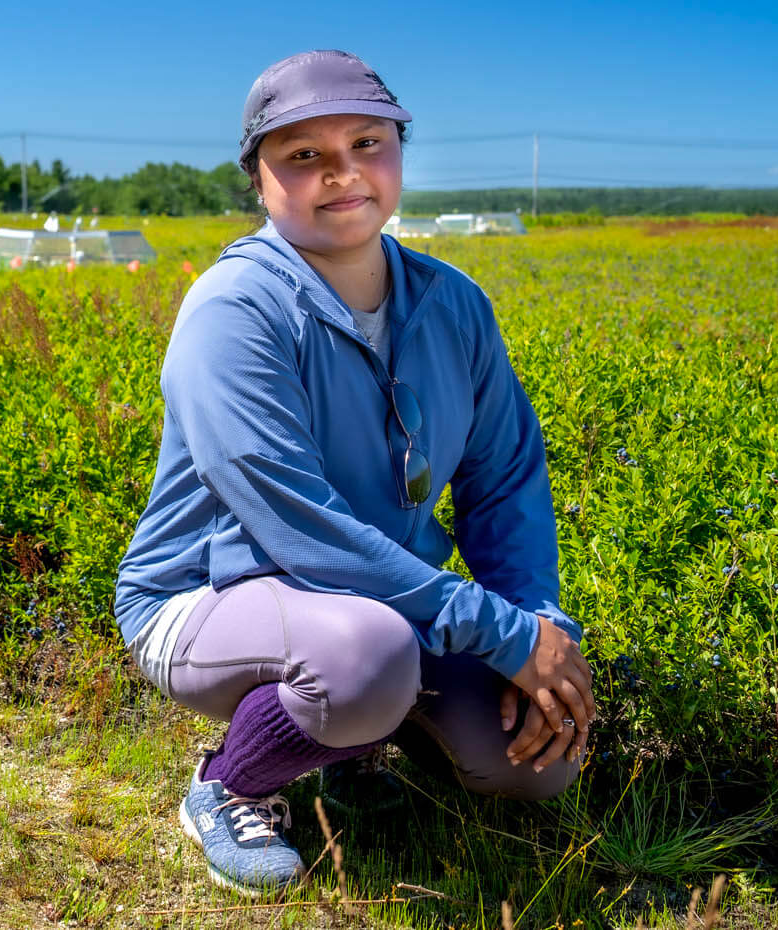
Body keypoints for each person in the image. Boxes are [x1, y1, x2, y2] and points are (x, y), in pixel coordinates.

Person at [113, 50, 596, 897]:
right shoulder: (234, 310)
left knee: (535, 765)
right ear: (258, 178)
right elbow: (300, 529)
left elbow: (505, 480)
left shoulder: (453, 303)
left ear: (399, 152)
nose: (342, 173)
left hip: (381, 606)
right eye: (304, 155)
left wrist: (536, 621)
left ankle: (354, 739)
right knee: (365, 658)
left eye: (367, 143)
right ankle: (230, 783)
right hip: (207, 599)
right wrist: (498, 633)